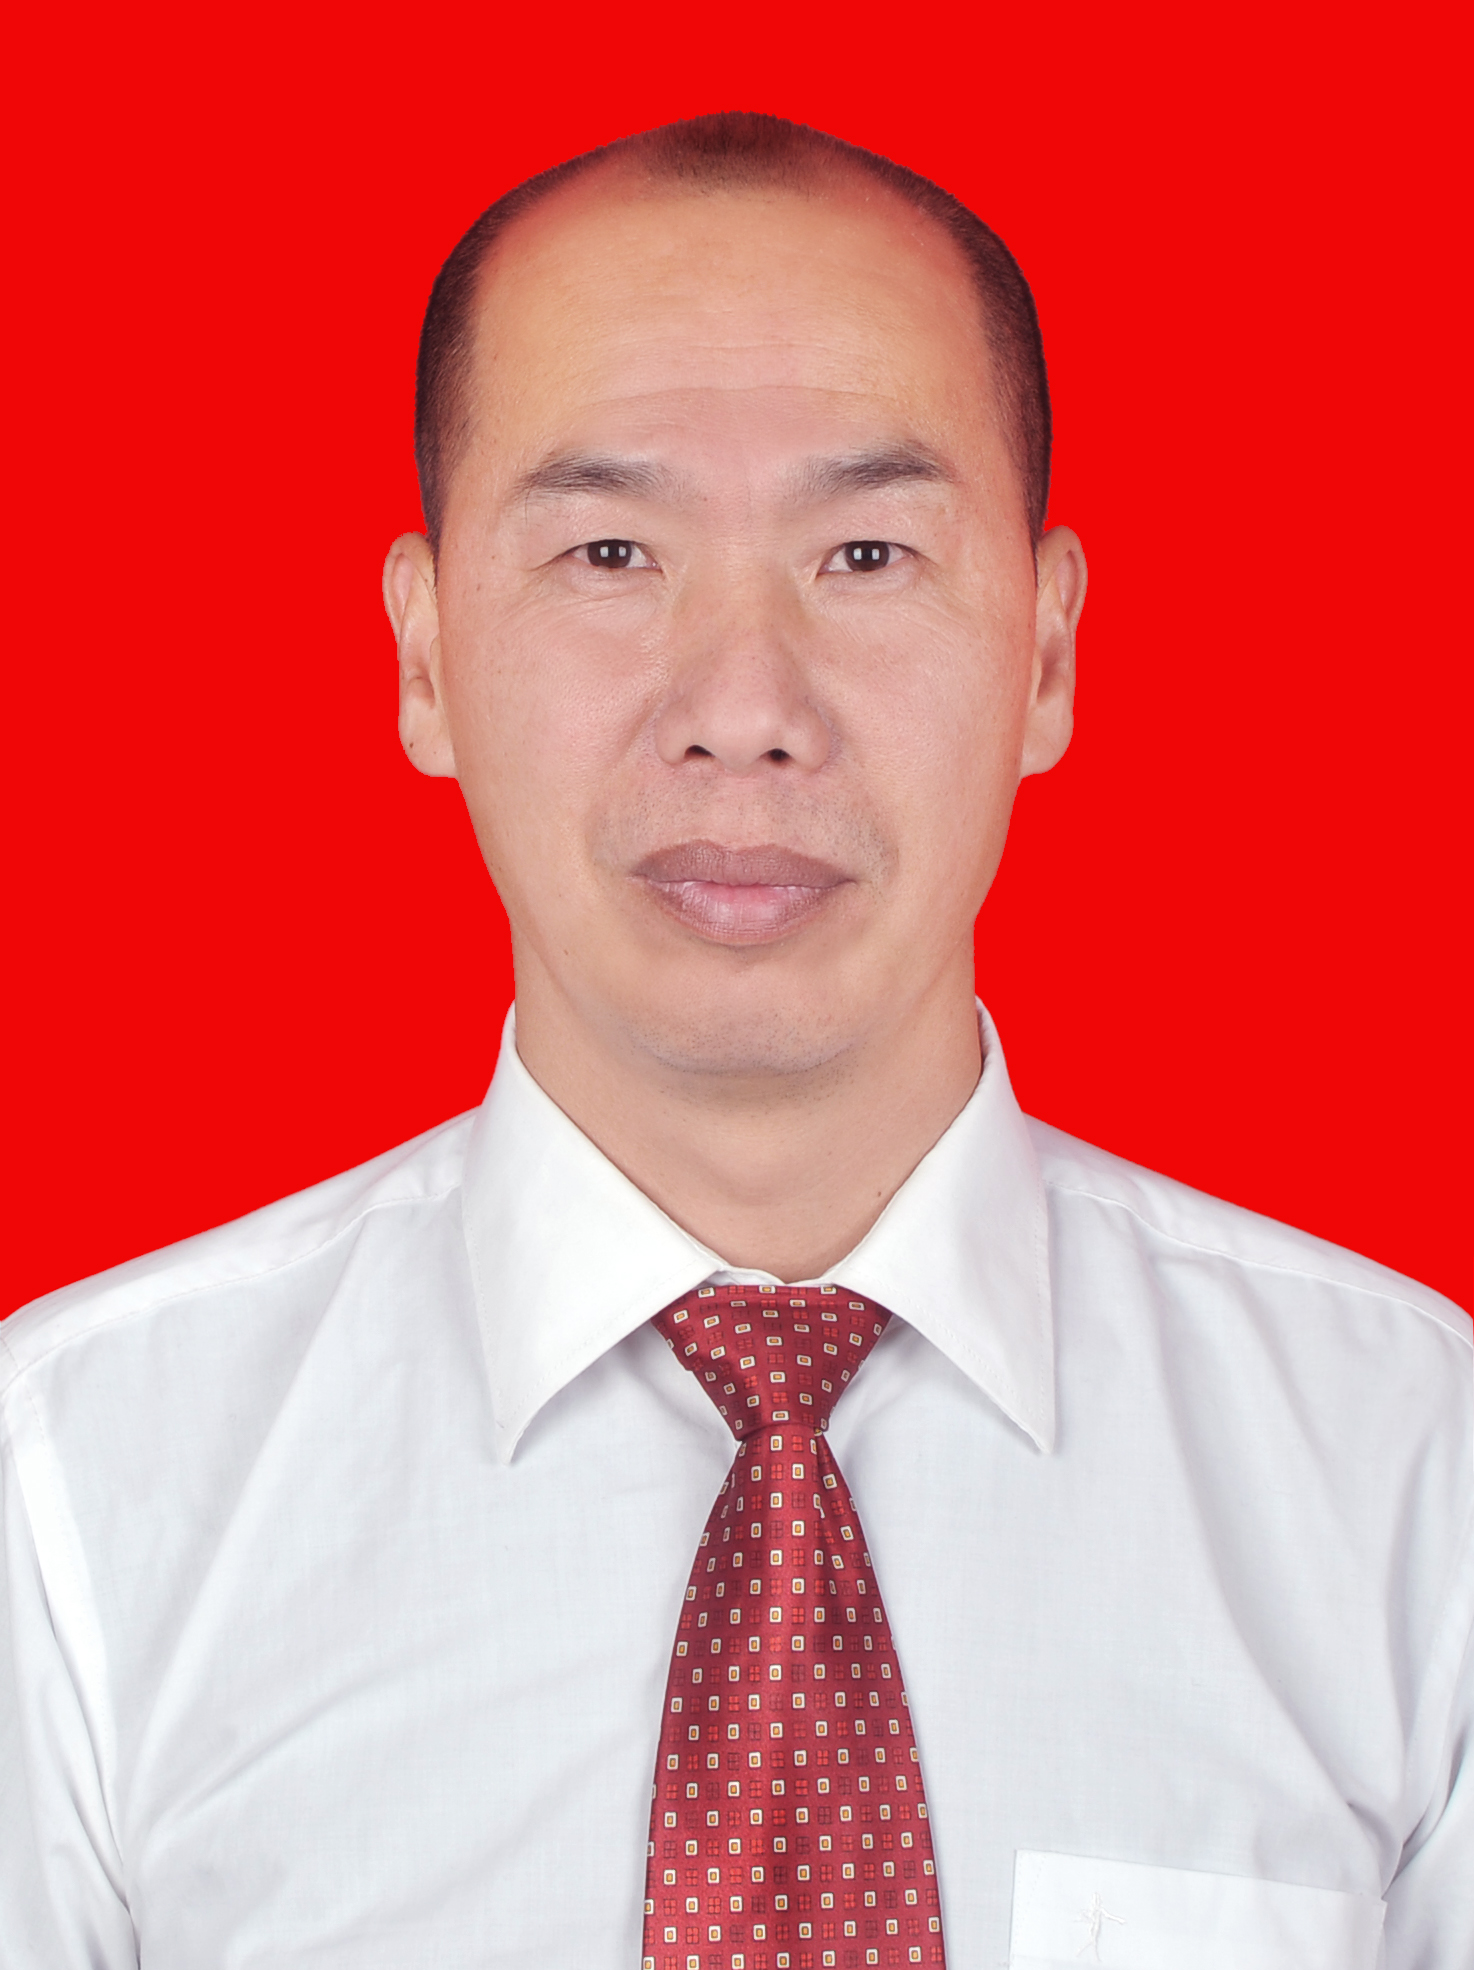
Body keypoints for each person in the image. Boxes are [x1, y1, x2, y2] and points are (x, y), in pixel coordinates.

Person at [1, 113, 1468, 1970]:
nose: (744, 706)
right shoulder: (72, 1493)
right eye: (610, 550)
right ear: (424, 656)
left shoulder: (1414, 1473)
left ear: (1044, 653)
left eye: (864, 552)